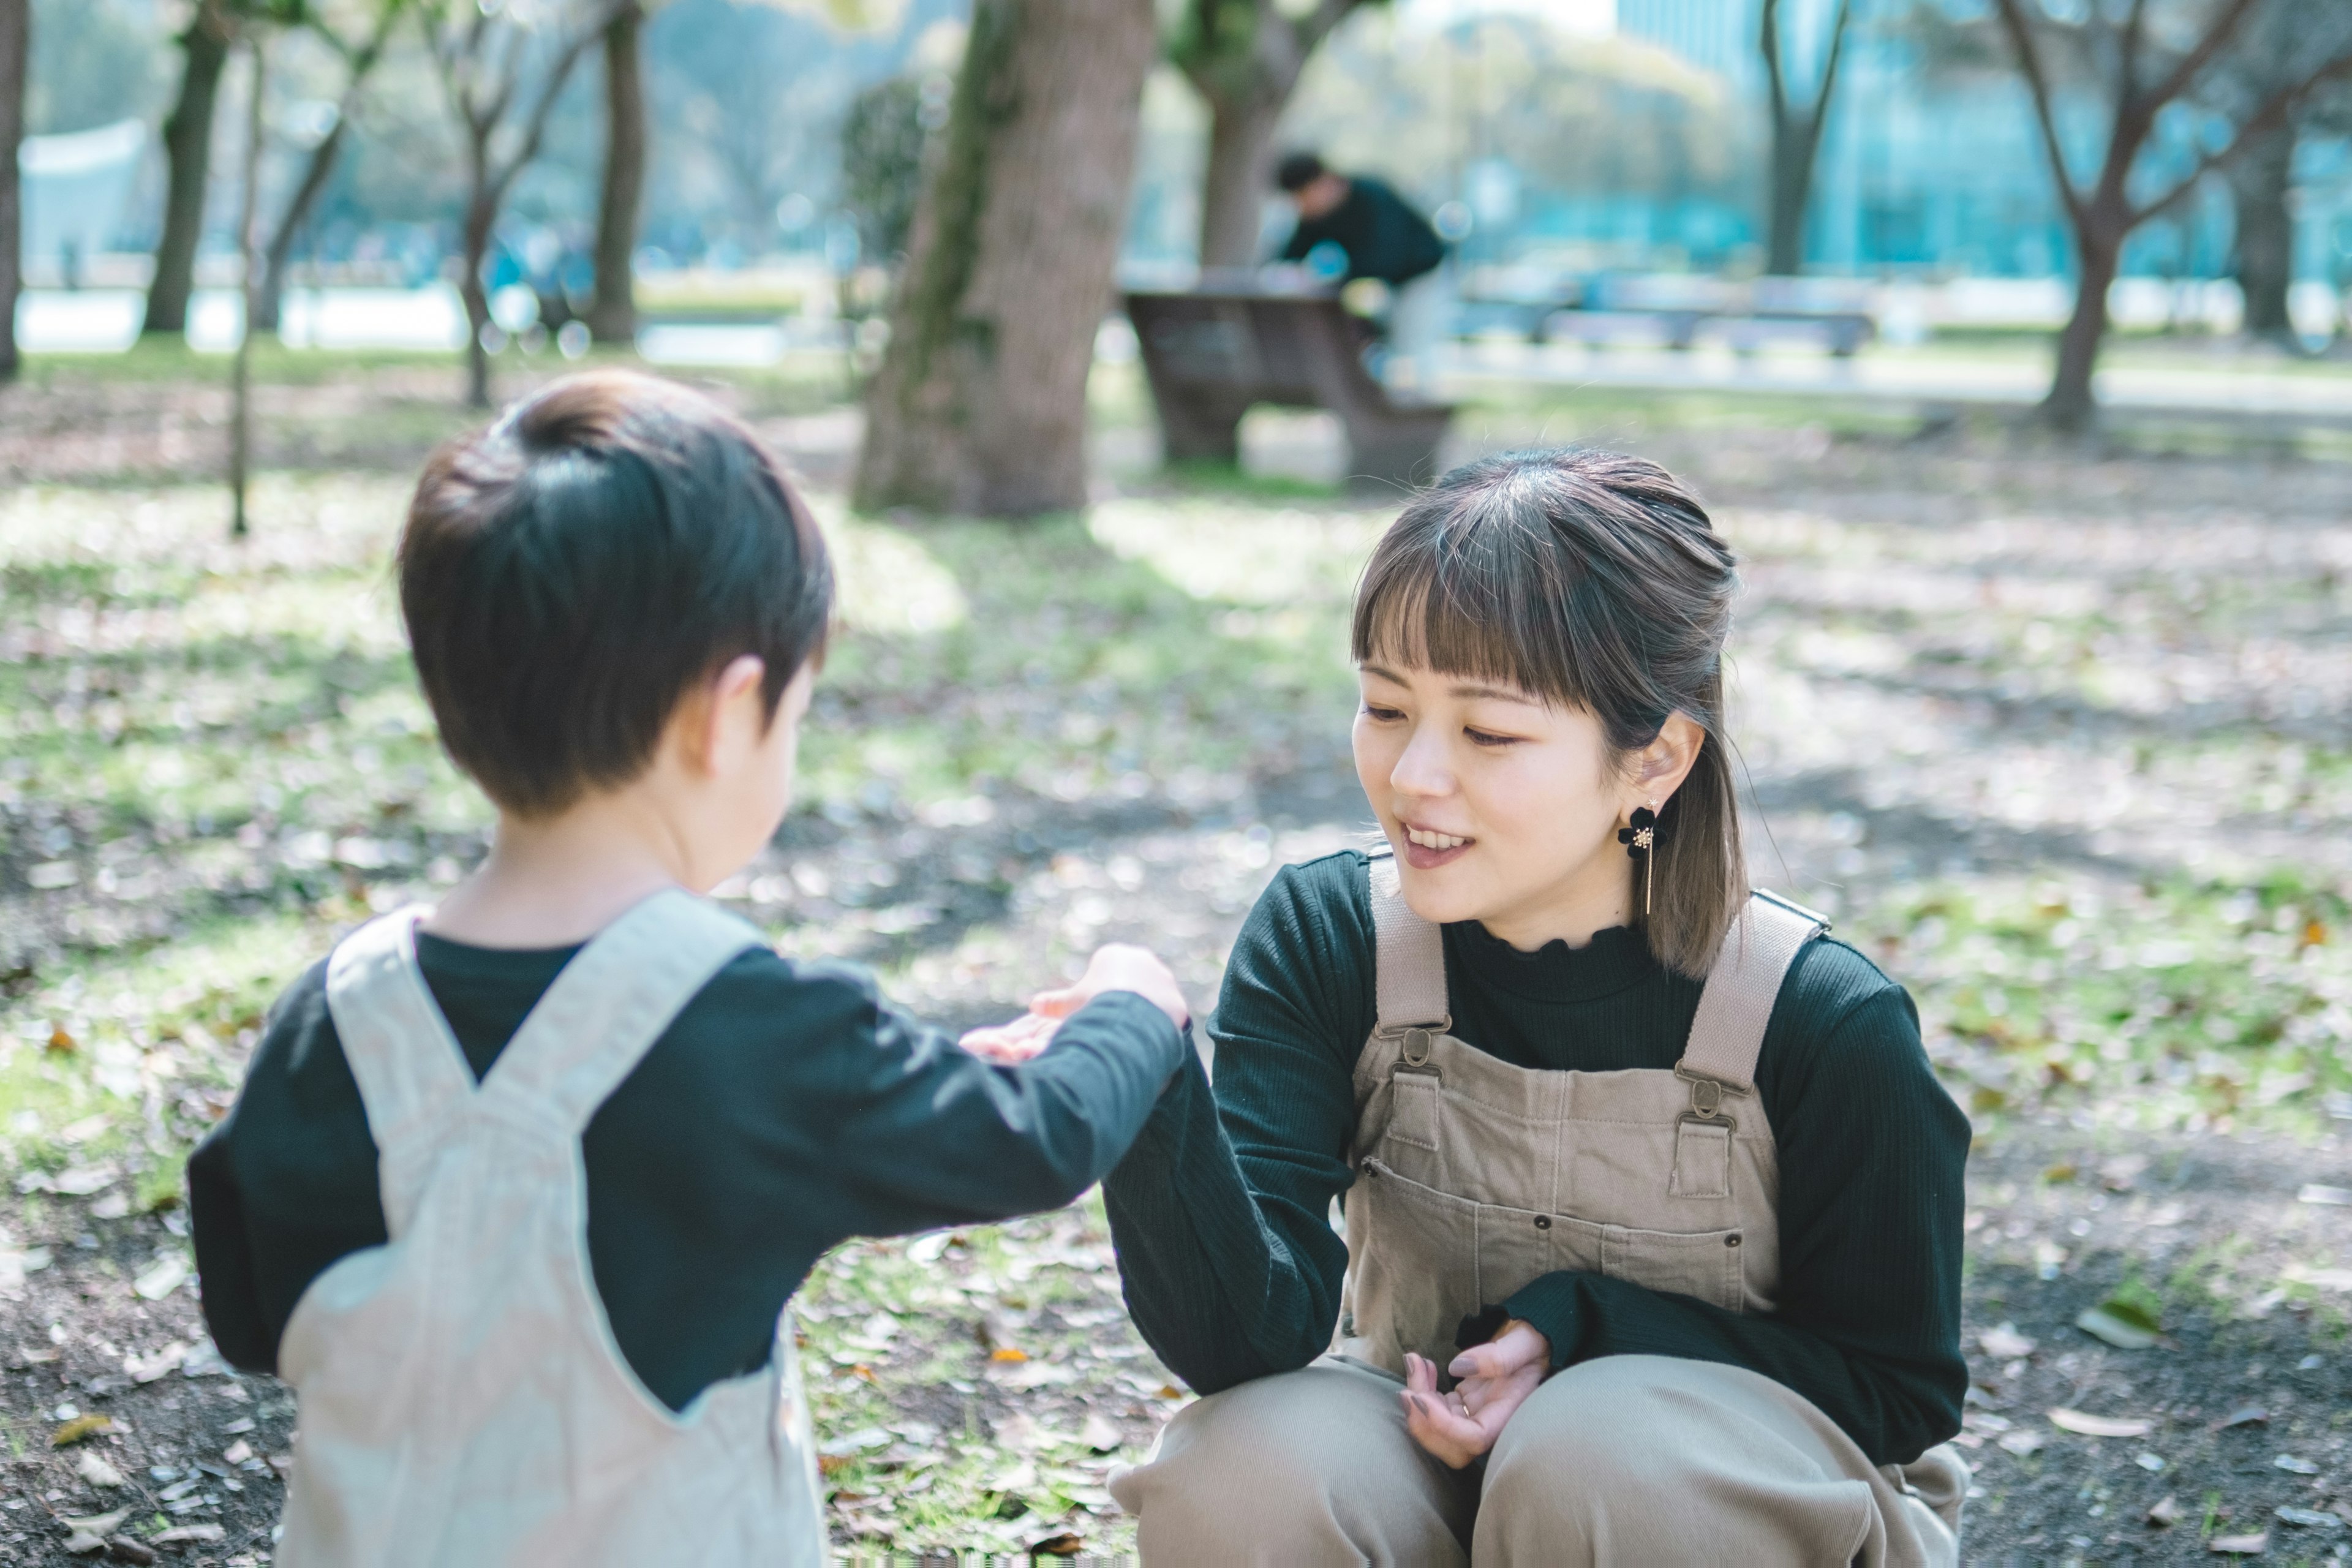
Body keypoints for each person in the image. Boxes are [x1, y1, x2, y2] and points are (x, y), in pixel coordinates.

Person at [186, 371, 1194, 1566]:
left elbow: (254, 1310)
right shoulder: (753, 1029)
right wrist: (1136, 1001)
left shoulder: (330, 1017)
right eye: (797, 714)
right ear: (729, 714)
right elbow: (1034, 1133)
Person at [1098, 449, 1971, 1565]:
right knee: (1242, 1463)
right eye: (1385, 707)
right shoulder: (1330, 941)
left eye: (1489, 733)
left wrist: (1586, 1334)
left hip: (1722, 1505)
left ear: (1654, 757)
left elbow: (1897, 1389)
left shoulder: (1820, 1018)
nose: (1413, 775)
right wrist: (1153, 1083)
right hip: (1422, 1458)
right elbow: (1249, 1338)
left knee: (1592, 1455)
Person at [1274, 151, 1449, 393]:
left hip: (1421, 276)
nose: (1301, 207)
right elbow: (1291, 254)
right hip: (1383, 286)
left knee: (1412, 347)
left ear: (1322, 183)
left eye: (1303, 196)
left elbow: (1385, 258)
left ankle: (1416, 413)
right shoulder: (1315, 217)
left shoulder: (1371, 196)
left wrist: (1330, 277)